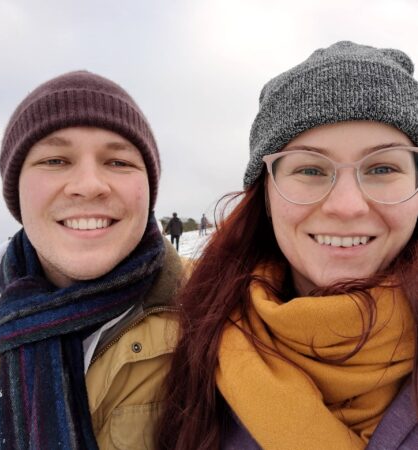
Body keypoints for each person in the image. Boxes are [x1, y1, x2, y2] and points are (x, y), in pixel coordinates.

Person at [158, 41, 418, 449]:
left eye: (383, 167)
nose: (347, 206)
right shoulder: (186, 346)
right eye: (310, 169)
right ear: (265, 194)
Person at [0, 71, 183, 449]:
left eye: (118, 162)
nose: (89, 185)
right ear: (15, 189)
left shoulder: (218, 314)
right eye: (55, 160)